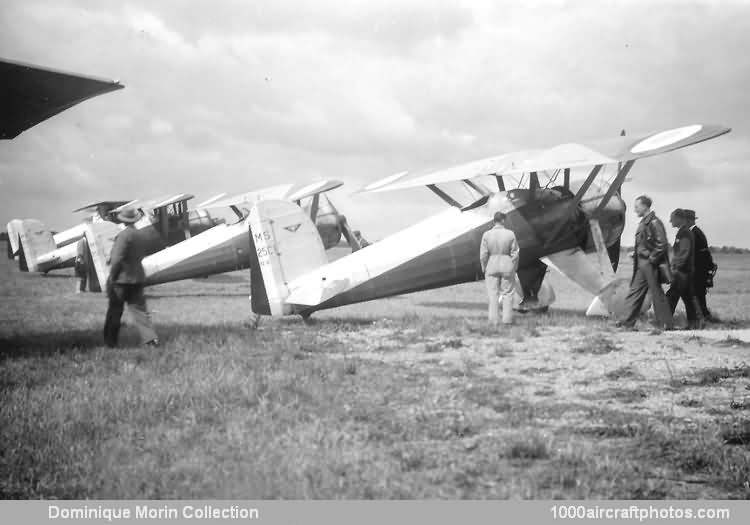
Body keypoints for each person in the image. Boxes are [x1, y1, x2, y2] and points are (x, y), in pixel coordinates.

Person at [103, 207, 159, 348]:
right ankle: (151, 339)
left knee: (115, 310)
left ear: (122, 220)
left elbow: (116, 259)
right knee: (140, 311)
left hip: (122, 280)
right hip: (138, 278)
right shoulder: (141, 235)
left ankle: (110, 342)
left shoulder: (123, 235)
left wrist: (112, 277)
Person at [616, 195, 673, 330]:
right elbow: (646, 244)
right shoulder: (645, 222)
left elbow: (662, 244)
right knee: (635, 292)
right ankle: (626, 322)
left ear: (644, 206)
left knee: (656, 293)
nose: (635, 210)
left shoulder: (654, 222)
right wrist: (636, 254)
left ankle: (665, 324)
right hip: (642, 263)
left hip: (649, 264)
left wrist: (651, 260)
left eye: (637, 207)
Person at [480, 211, 519, 326]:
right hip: (507, 265)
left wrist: (484, 268)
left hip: (491, 265)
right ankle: (507, 320)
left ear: (494, 220)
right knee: (507, 294)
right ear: (503, 220)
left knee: (493, 295)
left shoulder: (486, 235)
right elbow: (515, 253)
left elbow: (483, 255)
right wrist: (514, 267)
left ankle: (493, 321)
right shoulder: (510, 234)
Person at [665, 209, 701, 329]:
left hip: (682, 272)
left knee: (671, 296)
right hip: (686, 271)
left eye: (673, 218)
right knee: (688, 298)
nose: (670, 221)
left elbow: (683, 253)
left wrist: (674, 268)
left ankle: (666, 324)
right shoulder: (684, 232)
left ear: (680, 218)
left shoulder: (684, 233)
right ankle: (694, 324)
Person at [684, 209, 717, 322]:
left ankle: (702, 317)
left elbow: (697, 255)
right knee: (699, 295)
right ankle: (704, 316)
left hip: (698, 269)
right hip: (701, 269)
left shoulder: (694, 233)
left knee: (697, 294)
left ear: (689, 220)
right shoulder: (697, 232)